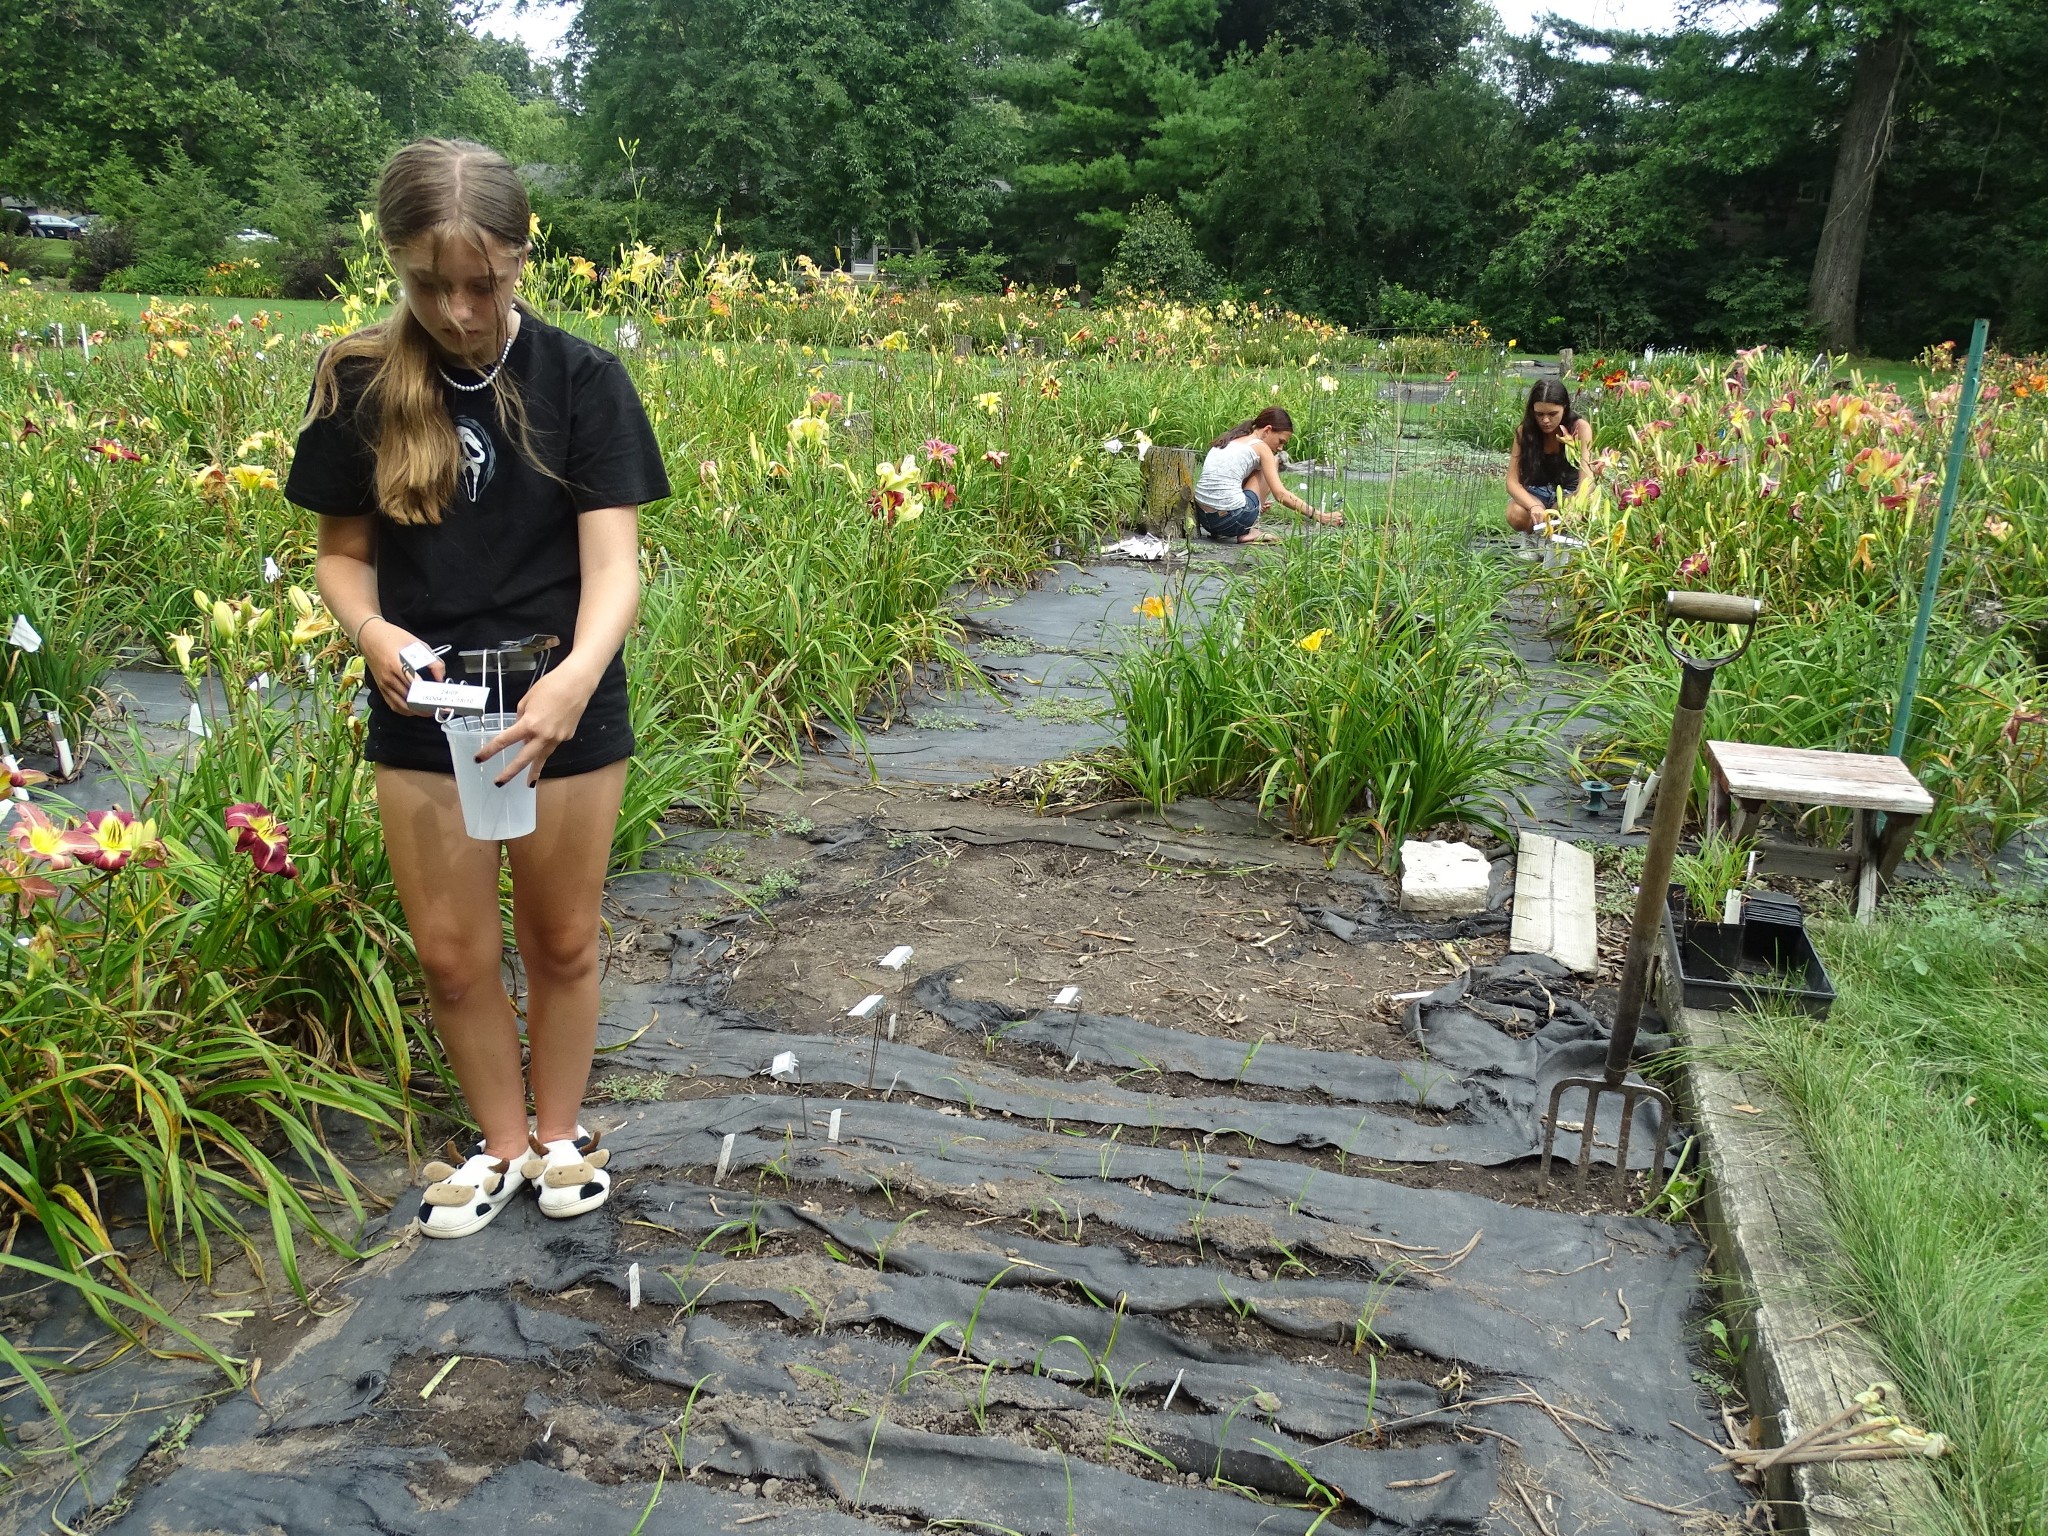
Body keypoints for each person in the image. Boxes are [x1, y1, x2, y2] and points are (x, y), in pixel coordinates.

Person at [286, 139, 671, 1240]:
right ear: (394, 264)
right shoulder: (358, 380)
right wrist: (371, 634)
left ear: (521, 254)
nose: (457, 310)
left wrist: (572, 684)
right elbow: (341, 557)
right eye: (427, 284)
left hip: (565, 702)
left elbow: (613, 566)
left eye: (483, 281)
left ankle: (561, 1134)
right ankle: (501, 1145)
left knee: (560, 940)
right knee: (453, 956)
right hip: (429, 708)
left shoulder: (581, 379)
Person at [1191, 406, 1343, 543]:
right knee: (1273, 462)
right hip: (1233, 521)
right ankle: (1250, 529)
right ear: (1267, 430)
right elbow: (1281, 495)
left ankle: (1250, 514)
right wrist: (1319, 516)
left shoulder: (1228, 440)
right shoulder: (1261, 447)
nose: (1280, 447)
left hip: (1206, 521)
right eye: (1281, 441)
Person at [1505, 378, 1593, 534]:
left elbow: (1587, 477)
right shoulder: (1525, 431)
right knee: (1515, 513)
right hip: (1537, 492)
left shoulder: (1579, 428)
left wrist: (1576, 503)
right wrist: (1534, 505)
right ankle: (1532, 537)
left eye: (1553, 414)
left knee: (1587, 505)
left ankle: (1562, 544)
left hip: (1568, 492)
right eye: (1539, 414)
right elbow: (1512, 482)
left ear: (1564, 408)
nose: (1545, 420)